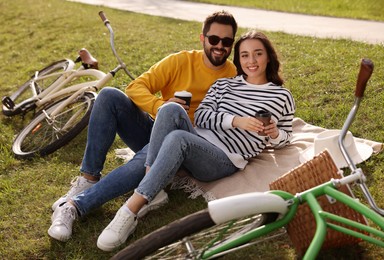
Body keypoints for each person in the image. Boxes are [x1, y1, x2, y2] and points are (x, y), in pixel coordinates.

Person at [96, 30, 296, 251]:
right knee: (170, 108)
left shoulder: (281, 96)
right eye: (245, 55)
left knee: (178, 138)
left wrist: (275, 133)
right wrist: (236, 121)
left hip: (224, 159)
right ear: (238, 59)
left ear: (268, 56)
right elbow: (201, 116)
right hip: (198, 139)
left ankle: (130, 209)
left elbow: (286, 138)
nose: (252, 61)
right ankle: (152, 188)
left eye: (258, 54)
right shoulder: (224, 85)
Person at [48, 11, 238, 242]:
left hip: (189, 145)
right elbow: (136, 87)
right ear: (202, 38)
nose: (220, 46)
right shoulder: (180, 61)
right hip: (159, 125)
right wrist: (160, 106)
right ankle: (88, 179)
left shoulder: (234, 75)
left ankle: (73, 207)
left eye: (227, 42)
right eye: (214, 39)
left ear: (232, 44)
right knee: (108, 95)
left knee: (154, 151)